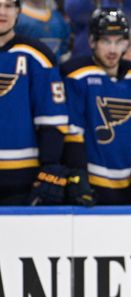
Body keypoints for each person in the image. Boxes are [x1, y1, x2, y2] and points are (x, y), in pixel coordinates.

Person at [60, 8, 131, 205]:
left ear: (126, 43)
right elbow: (73, 134)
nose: (112, 50)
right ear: (92, 42)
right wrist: (76, 174)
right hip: (89, 184)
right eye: (105, 41)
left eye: (118, 41)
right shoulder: (75, 75)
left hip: (126, 184)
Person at [0, 0, 80, 206]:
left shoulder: (38, 56)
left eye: (8, 6)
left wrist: (50, 165)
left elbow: (52, 118)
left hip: (21, 176)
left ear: (18, 11)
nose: (3, 12)